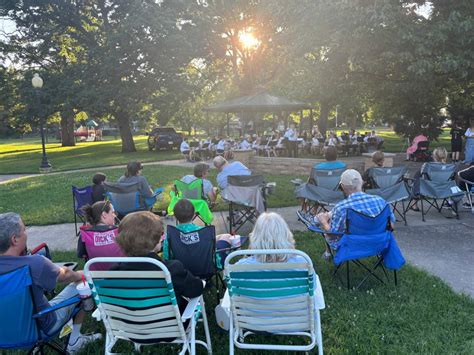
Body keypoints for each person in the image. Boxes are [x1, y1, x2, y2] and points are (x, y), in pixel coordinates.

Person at [0, 213, 102, 353]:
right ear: (14, 239)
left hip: (3, 334)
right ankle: (74, 341)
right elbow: (65, 275)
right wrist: (83, 275)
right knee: (83, 284)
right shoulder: (34, 264)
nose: (26, 233)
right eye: (24, 230)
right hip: (40, 328)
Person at [114, 211, 203, 314]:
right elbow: (196, 289)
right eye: (161, 234)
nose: (162, 237)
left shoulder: (114, 272)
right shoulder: (171, 270)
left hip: (130, 326)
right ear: (154, 240)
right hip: (169, 325)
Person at [234, 212, 325, 309]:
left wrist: (249, 253)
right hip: (297, 321)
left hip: (252, 323)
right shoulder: (303, 264)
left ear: (255, 237)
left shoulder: (240, 268)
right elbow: (313, 288)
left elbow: (234, 292)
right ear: (285, 235)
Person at [316, 169, 394, 258]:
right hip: (380, 244)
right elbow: (391, 226)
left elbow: (332, 234)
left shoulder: (341, 207)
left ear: (342, 186)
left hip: (351, 247)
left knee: (328, 222)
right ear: (362, 182)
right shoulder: (381, 201)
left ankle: (327, 254)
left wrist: (324, 222)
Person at [165, 199, 234, 265]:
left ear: (175, 216)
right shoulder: (204, 233)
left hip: (181, 270)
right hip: (207, 269)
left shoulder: (170, 235)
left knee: (220, 237)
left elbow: (167, 257)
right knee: (227, 237)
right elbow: (213, 253)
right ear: (194, 214)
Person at [76, 201, 123, 268]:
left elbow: (81, 254)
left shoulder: (84, 235)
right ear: (104, 214)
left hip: (95, 276)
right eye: (112, 212)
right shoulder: (120, 231)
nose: (114, 215)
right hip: (120, 275)